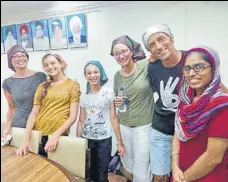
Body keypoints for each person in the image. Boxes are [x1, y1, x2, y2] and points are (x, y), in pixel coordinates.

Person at [172, 46, 228, 182]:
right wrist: (174, 167)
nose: (191, 73)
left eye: (199, 67)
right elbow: (177, 134)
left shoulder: (221, 106)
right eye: (187, 68)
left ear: (213, 69)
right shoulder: (186, 101)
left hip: (207, 177)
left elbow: (213, 158)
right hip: (180, 173)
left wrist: (185, 178)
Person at [142, 23, 185, 182]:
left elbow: (216, 88)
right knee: (159, 177)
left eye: (161, 39)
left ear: (172, 38)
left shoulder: (191, 59)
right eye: (152, 45)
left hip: (186, 132)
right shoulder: (152, 67)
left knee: (183, 175)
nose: (158, 46)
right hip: (161, 128)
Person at [16, 53, 81, 157]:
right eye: (46, 65)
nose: (50, 67)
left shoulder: (73, 86)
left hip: (59, 137)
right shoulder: (41, 87)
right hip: (38, 136)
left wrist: (55, 136)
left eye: (53, 63)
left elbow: (72, 117)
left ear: (61, 63)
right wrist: (25, 140)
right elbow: (33, 114)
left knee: (57, 170)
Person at [111, 35, 154, 182]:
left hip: (144, 125)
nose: (121, 56)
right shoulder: (117, 76)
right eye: (117, 54)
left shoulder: (144, 66)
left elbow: (161, 54)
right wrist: (117, 100)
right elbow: (118, 97)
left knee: (142, 169)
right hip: (124, 125)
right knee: (129, 165)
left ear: (131, 51)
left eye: (124, 51)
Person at [77, 60, 125, 182]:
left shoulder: (109, 92)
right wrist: (77, 141)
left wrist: (119, 142)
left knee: (102, 174)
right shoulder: (84, 97)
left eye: (95, 72)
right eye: (89, 73)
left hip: (104, 139)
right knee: (90, 173)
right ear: (85, 76)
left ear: (100, 73)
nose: (92, 75)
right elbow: (81, 121)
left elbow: (114, 118)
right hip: (87, 139)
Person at [2, 45, 46, 137]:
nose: (20, 58)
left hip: (41, 125)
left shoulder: (41, 77)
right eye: (15, 56)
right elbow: (11, 108)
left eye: (23, 55)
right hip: (19, 126)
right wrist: (6, 128)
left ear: (27, 58)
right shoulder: (8, 83)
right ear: (10, 61)